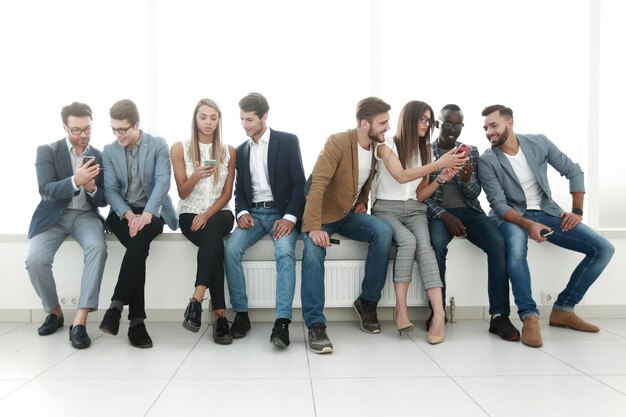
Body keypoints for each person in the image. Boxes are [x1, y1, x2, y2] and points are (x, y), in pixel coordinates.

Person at [478, 104, 615, 347]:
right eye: (486, 128)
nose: (489, 132)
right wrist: (527, 224)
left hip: (547, 212)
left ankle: (564, 308)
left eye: (493, 125)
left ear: (510, 123)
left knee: (603, 249)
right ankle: (529, 316)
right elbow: (498, 204)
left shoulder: (538, 143)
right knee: (517, 250)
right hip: (511, 216)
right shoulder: (488, 161)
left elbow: (573, 171)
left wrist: (577, 211)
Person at [301, 97, 394, 354]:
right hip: (321, 217)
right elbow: (317, 184)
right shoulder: (338, 142)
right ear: (365, 123)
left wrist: (362, 201)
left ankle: (367, 301)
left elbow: (362, 180)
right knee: (312, 252)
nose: (388, 127)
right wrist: (313, 227)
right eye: (383, 122)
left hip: (348, 214)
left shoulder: (376, 149)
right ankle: (315, 324)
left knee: (383, 231)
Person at [372, 100, 466, 345]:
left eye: (429, 120)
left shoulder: (426, 152)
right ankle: (400, 309)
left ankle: (439, 314)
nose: (427, 125)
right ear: (409, 119)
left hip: (415, 210)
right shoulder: (385, 145)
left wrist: (441, 178)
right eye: (423, 119)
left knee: (426, 247)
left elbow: (420, 194)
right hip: (386, 209)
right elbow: (402, 176)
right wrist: (438, 164)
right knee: (407, 240)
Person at [424, 104, 520, 342]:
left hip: (469, 211)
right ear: (438, 124)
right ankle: (438, 312)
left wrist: (467, 180)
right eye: (447, 123)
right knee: (436, 245)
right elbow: (420, 195)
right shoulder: (426, 151)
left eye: (457, 125)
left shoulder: (472, 152)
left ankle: (499, 315)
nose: (452, 129)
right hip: (439, 213)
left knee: (498, 243)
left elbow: (474, 193)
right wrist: (445, 216)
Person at [224, 93, 306, 349]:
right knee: (230, 250)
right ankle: (242, 314)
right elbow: (239, 192)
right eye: (242, 119)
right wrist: (241, 213)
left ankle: (281, 323)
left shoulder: (288, 141)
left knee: (284, 254)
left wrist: (290, 218)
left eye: (249, 119)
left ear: (264, 117)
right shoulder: (241, 151)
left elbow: (299, 184)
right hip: (254, 216)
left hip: (282, 214)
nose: (245, 125)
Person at [25, 102, 107, 349]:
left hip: (85, 216)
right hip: (54, 217)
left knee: (98, 248)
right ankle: (54, 312)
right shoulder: (47, 151)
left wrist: (92, 188)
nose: (83, 135)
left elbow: (105, 199)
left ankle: (80, 321)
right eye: (77, 130)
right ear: (65, 127)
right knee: (35, 260)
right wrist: (75, 180)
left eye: (87, 129)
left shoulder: (100, 156)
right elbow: (46, 190)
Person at [99, 99, 178, 349]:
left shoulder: (158, 145)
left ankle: (116, 307)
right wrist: (128, 214)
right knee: (138, 245)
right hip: (122, 214)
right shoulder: (110, 150)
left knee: (139, 240)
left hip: (153, 211)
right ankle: (136, 323)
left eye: (123, 129)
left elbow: (163, 182)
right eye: (114, 129)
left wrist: (147, 214)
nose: (118, 134)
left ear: (137, 125)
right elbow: (110, 190)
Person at [172, 99, 236, 345]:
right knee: (215, 245)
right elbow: (182, 193)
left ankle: (197, 299)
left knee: (213, 230)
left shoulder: (229, 151)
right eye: (203, 117)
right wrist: (196, 175)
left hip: (219, 213)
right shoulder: (180, 148)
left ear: (219, 120)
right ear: (195, 119)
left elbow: (227, 194)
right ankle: (220, 316)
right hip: (189, 213)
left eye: (213, 117)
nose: (208, 122)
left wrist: (207, 214)